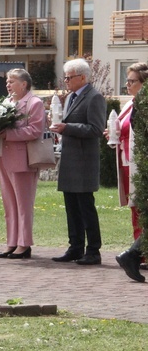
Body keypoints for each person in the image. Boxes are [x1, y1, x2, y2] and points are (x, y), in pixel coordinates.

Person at [50, 58, 107, 265]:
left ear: (83, 77)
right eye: (64, 77)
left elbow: (96, 129)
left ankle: (93, 250)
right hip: (69, 160)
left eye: (69, 77)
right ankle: (75, 247)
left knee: (85, 207)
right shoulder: (70, 98)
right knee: (71, 207)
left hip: (83, 162)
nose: (66, 81)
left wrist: (67, 128)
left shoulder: (94, 98)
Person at [0, 70, 45, 258]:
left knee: (23, 204)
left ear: (24, 84)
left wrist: (8, 134)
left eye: (12, 81)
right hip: (3, 157)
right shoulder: (7, 102)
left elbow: (35, 130)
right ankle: (11, 242)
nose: (8, 84)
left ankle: (24, 244)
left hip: (23, 159)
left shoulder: (34, 103)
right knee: (9, 205)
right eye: (7, 81)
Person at [109, 63, 147, 241]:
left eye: (132, 81)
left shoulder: (144, 104)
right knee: (135, 207)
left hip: (140, 163)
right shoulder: (131, 103)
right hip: (127, 161)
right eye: (127, 80)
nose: (127, 85)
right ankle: (138, 252)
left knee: (142, 207)